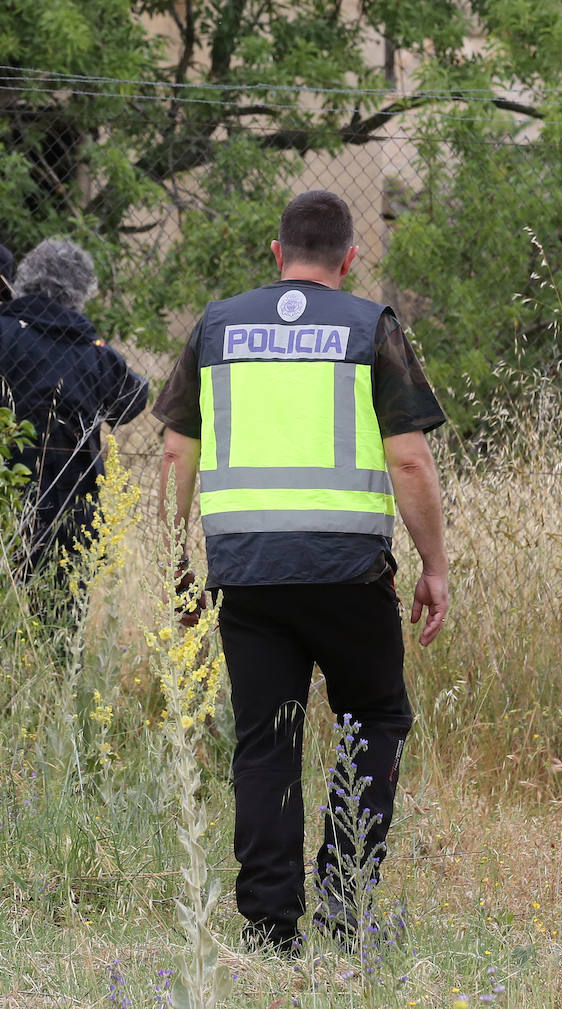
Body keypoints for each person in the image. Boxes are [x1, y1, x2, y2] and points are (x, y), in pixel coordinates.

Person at [154, 190, 449, 954]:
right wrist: (435, 565)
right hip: (349, 571)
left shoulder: (216, 327)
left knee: (265, 741)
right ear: (351, 259)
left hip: (247, 574)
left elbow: (175, 452)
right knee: (374, 720)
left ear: (276, 253)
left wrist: (174, 561)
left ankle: (269, 929)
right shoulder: (369, 326)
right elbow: (410, 458)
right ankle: (346, 907)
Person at [0, 238, 149, 584]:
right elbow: (132, 399)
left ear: (27, 276)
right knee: (62, 613)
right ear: (82, 289)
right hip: (73, 506)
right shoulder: (94, 353)